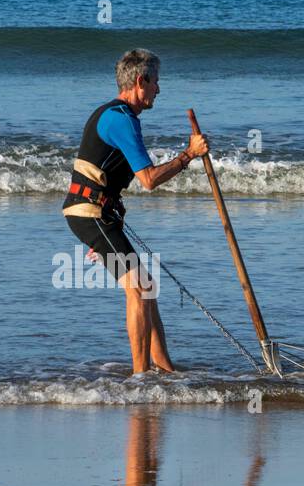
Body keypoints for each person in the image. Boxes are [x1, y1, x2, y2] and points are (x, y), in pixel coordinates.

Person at [62, 48, 207, 374]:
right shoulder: (122, 120)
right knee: (139, 288)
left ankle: (165, 369)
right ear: (140, 81)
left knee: (146, 286)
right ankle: (141, 377)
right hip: (90, 214)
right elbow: (149, 180)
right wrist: (188, 155)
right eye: (156, 82)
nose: (159, 89)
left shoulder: (112, 114)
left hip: (99, 215)